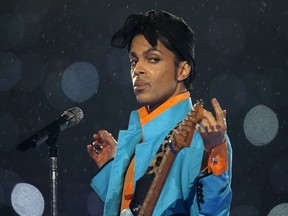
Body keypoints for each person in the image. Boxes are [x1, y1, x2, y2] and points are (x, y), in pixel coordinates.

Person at [87, 10, 232, 216]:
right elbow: (136, 206)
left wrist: (215, 158)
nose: (137, 69)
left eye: (153, 59)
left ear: (183, 70)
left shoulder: (201, 135)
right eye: (133, 61)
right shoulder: (139, 136)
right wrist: (115, 168)